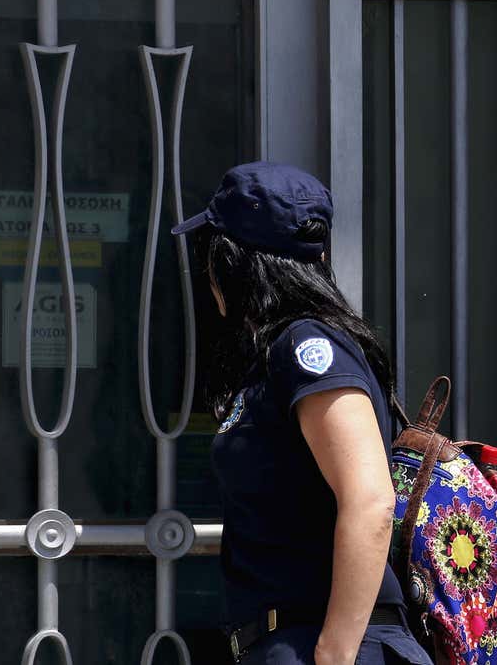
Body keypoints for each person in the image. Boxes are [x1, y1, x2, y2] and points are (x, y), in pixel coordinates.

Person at [173, 162, 431, 665]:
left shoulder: (307, 346)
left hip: (326, 645)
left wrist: (334, 653)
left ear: (234, 262)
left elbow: (371, 501)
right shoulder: (275, 354)